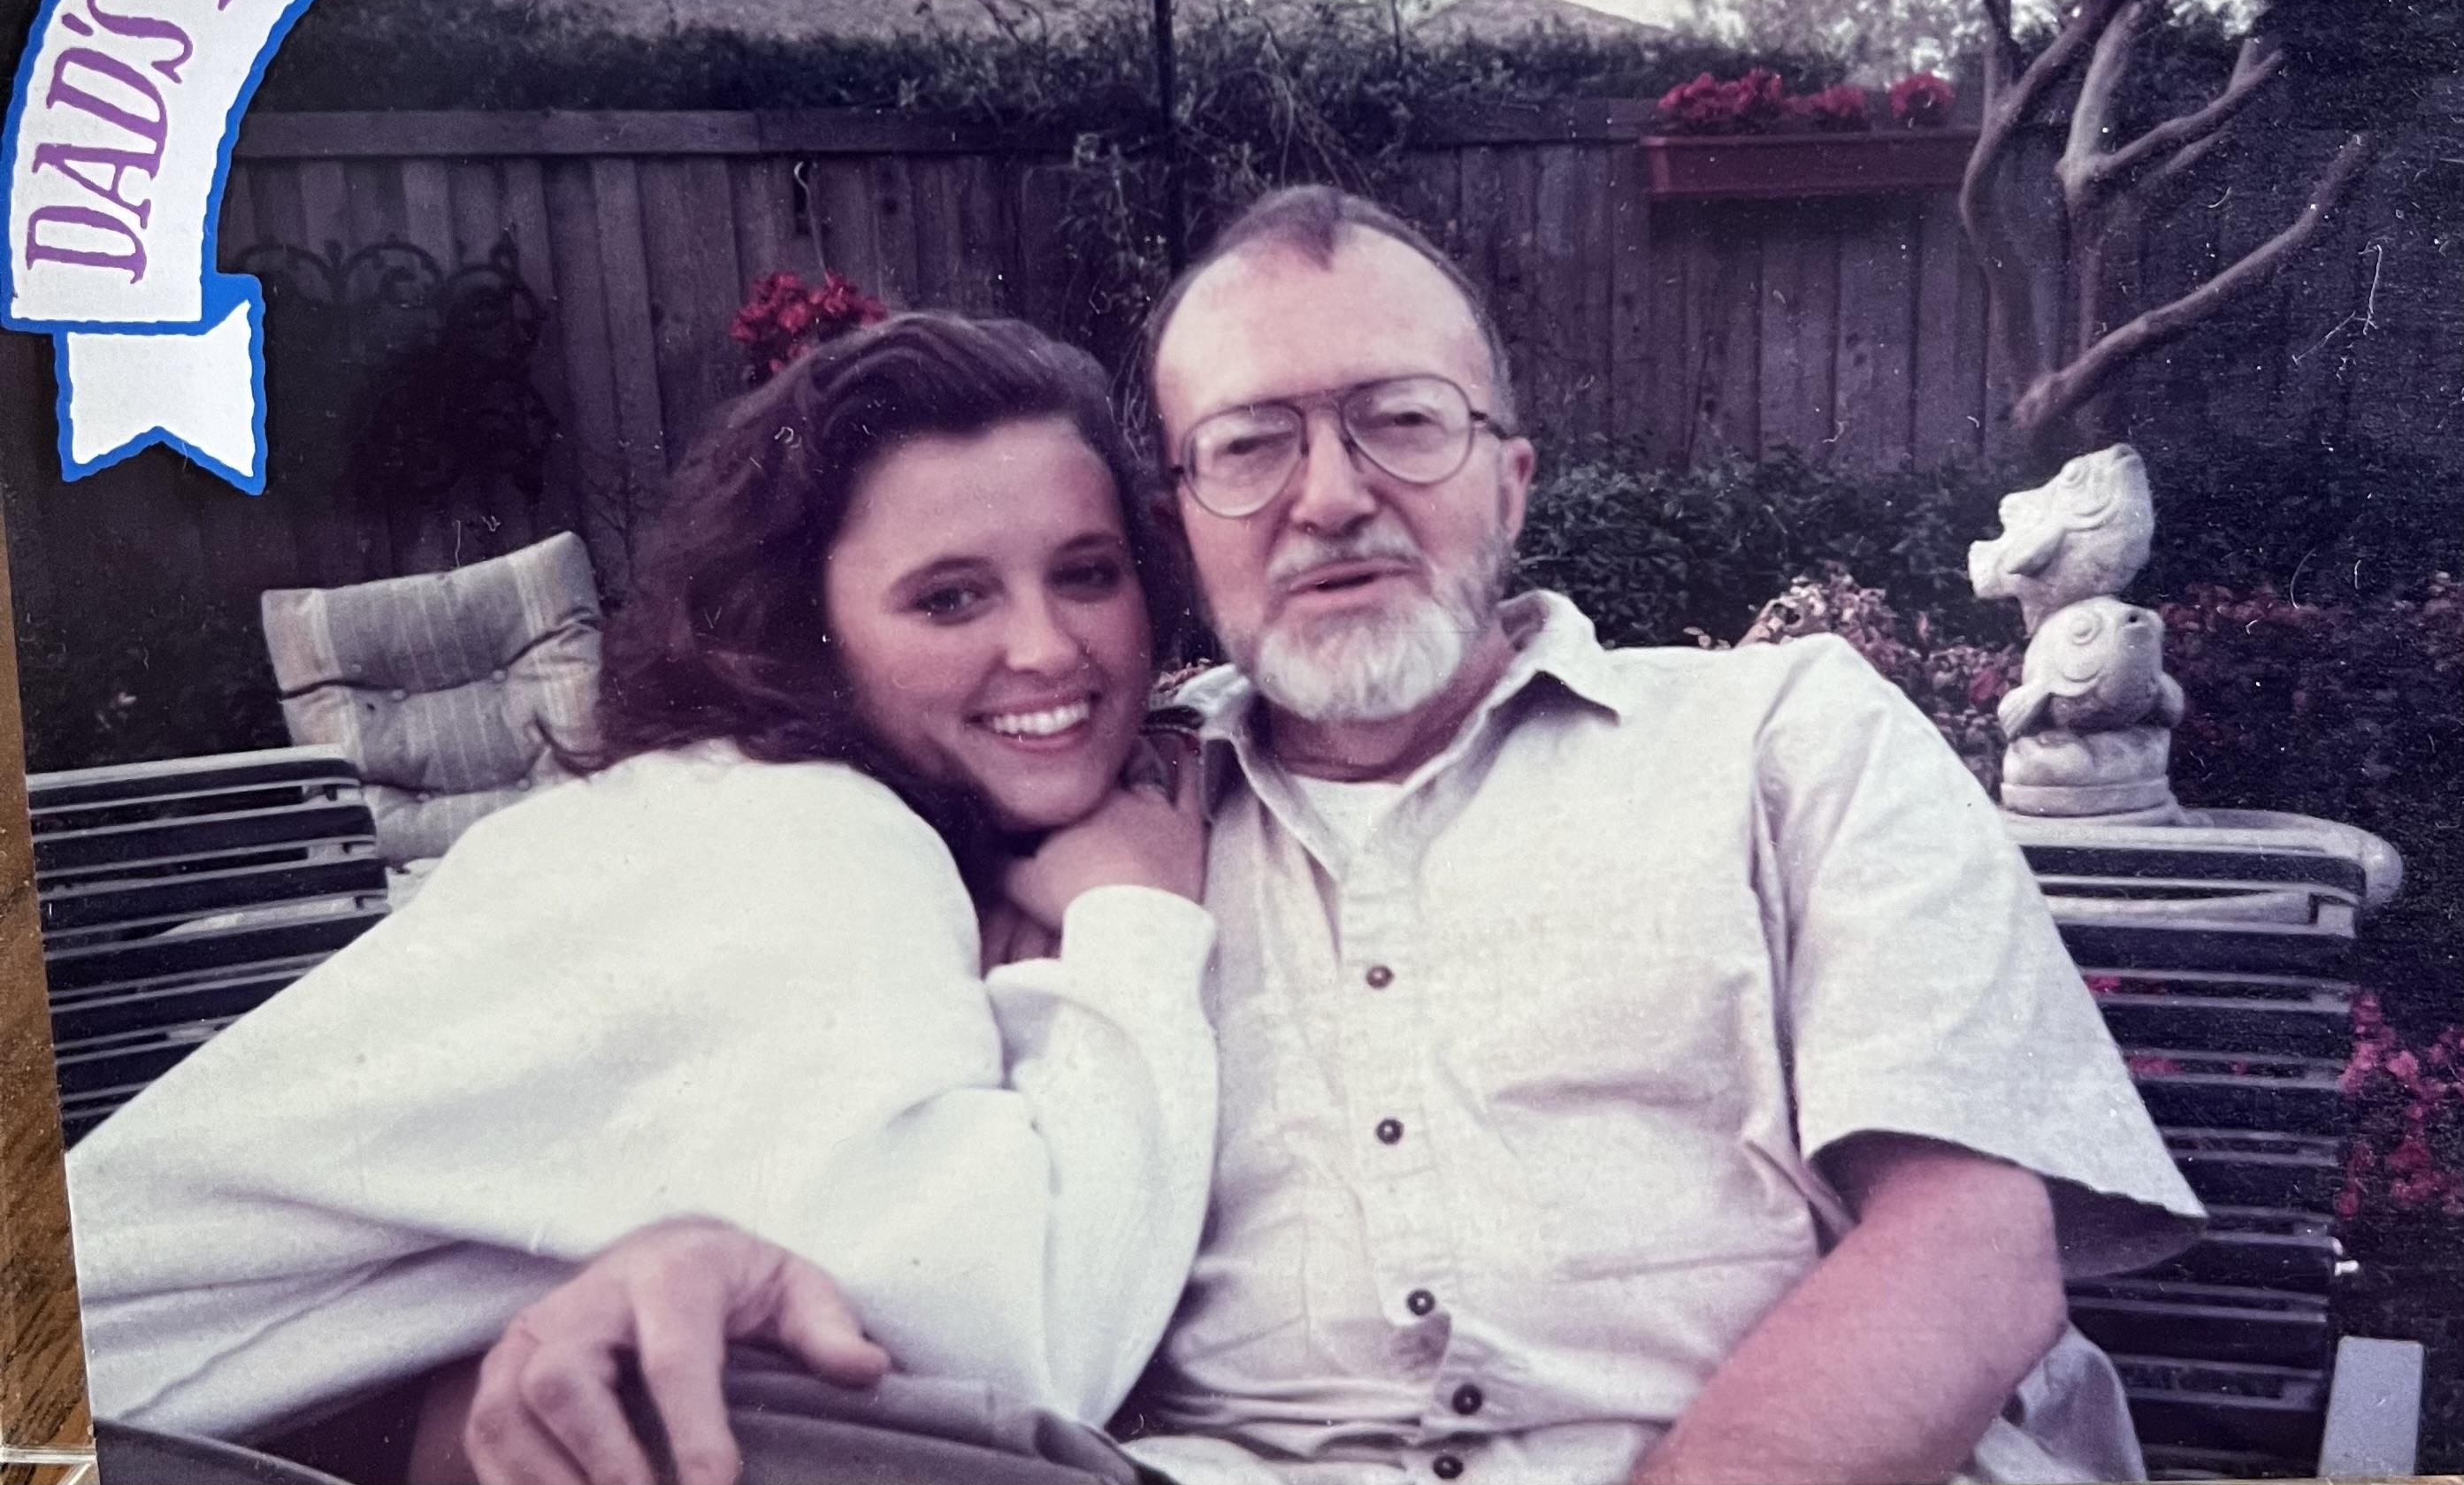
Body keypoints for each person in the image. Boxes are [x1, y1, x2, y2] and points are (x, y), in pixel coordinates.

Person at [468, 186, 2209, 1485]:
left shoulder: (1786, 736)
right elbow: (952, 1235)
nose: (1328, 492)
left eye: (1400, 419)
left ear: (1510, 479)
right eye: (1251, 443)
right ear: (1181, 522)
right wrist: (705, 1248)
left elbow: (1972, 1249)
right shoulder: (1091, 819)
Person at [64, 313, 1221, 1485]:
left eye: (1086, 573)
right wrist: (1133, 916)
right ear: (805, 631)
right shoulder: (806, 832)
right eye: (949, 599)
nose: (1045, 646)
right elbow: (1016, 1356)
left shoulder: (754, 806)